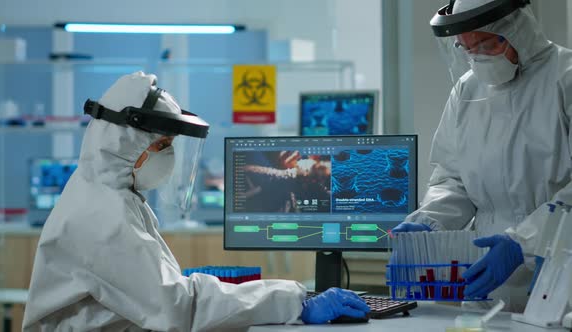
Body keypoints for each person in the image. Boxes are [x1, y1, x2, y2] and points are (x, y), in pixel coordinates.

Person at [22, 72, 369, 331]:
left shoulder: (110, 195)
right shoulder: (101, 215)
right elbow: (177, 306)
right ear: (124, 144)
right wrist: (294, 300)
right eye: (163, 145)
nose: (169, 156)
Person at [392, 0, 572, 312]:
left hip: (559, 276)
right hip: (486, 282)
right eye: (467, 48)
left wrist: (524, 242)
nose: (478, 57)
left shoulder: (564, 79)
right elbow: (452, 178)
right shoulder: (467, 90)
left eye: (487, 44)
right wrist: (429, 221)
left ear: (517, 29)